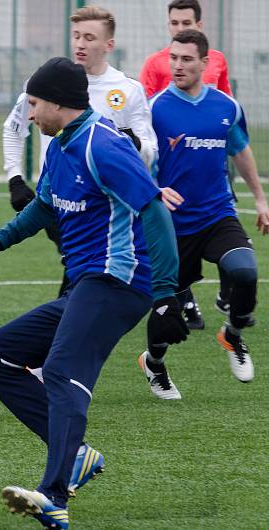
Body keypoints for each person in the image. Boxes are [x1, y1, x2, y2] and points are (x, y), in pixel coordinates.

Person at [0, 57, 187, 529]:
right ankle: (78, 456)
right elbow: (44, 208)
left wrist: (167, 296)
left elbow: (154, 211)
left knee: (63, 369)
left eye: (33, 104)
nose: (29, 115)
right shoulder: (61, 146)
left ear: (57, 103)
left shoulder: (102, 145)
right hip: (86, 283)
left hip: (119, 282)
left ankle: (53, 494)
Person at [138, 30, 268, 399]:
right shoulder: (155, 108)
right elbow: (138, 159)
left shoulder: (227, 107)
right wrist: (154, 191)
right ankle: (154, 363)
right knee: (168, 317)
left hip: (217, 215)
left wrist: (260, 200)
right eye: (173, 58)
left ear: (204, 63)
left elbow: (240, 151)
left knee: (245, 271)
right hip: (172, 225)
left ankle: (233, 334)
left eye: (186, 59)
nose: (177, 65)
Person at [3, 5, 158, 296]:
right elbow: (12, 129)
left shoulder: (128, 90)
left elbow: (151, 151)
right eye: (76, 36)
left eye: (89, 37)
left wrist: (133, 143)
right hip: (61, 198)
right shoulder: (47, 81)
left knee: (83, 274)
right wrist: (15, 179)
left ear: (108, 45)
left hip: (107, 207)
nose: (80, 44)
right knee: (82, 273)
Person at [140, 0, 234, 330]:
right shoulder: (155, 63)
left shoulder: (217, 60)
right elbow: (146, 113)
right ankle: (185, 297)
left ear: (199, 23)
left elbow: (224, 104)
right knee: (178, 235)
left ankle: (228, 289)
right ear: (168, 25)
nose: (179, 28)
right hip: (169, 160)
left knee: (224, 215)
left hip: (210, 157)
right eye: (174, 23)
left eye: (185, 22)